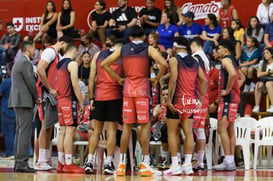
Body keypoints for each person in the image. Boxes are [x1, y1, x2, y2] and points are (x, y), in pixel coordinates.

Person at [101, 26, 167, 176]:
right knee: (144, 127)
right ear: (143, 37)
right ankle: (145, 164)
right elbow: (164, 63)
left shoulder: (123, 49)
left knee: (126, 128)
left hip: (128, 89)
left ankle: (121, 165)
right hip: (143, 89)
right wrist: (156, 79)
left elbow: (104, 63)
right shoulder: (148, 49)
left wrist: (118, 78)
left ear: (130, 38)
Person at [163, 36, 207, 176]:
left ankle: (175, 164)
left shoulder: (175, 59)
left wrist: (168, 100)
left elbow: (173, 80)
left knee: (172, 132)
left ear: (175, 47)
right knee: (188, 133)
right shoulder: (194, 60)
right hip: (189, 101)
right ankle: (187, 165)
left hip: (177, 101)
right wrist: (200, 98)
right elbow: (204, 81)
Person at [84, 39, 123, 175]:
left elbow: (91, 78)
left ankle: (89, 162)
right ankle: (108, 163)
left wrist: (91, 98)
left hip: (99, 96)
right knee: (112, 131)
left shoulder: (98, 55)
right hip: (115, 96)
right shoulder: (122, 56)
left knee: (96, 130)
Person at [35, 36, 72, 171]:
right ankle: (41, 160)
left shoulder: (55, 55)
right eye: (65, 47)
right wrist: (50, 88)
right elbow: (40, 69)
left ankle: (46, 158)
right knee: (44, 126)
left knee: (48, 126)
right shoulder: (50, 52)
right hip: (45, 93)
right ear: (62, 43)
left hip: (50, 94)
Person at [9, 41, 42, 173]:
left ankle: (19, 162)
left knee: (20, 132)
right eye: (34, 49)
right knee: (24, 132)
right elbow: (31, 82)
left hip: (19, 101)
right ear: (28, 49)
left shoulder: (19, 62)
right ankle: (22, 162)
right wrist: (37, 97)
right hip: (24, 101)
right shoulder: (25, 62)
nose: (35, 51)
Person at [55, 43, 84, 173]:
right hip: (69, 100)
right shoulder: (72, 64)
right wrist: (81, 102)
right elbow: (75, 84)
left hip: (60, 100)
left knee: (62, 132)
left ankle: (61, 163)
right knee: (70, 131)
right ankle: (68, 163)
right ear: (75, 51)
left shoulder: (58, 64)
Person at [213, 40, 240, 171]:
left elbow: (233, 74)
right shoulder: (234, 60)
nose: (217, 51)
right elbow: (240, 77)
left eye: (219, 49)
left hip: (228, 99)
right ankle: (231, 160)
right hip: (234, 99)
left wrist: (228, 89)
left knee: (221, 128)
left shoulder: (226, 60)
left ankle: (228, 160)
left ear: (225, 50)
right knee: (230, 130)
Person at [190, 37, 210, 172]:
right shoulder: (206, 58)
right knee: (199, 130)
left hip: (197, 97)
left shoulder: (195, 57)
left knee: (191, 129)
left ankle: (190, 160)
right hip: (204, 97)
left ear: (193, 45)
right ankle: (199, 161)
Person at [0, 63, 16, 159]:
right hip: (16, 110)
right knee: (15, 133)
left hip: (7, 110)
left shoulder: (6, 82)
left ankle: (10, 152)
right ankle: (16, 152)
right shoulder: (19, 81)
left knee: (8, 132)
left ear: (10, 71)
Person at [252, 47, 273, 113]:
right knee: (258, 84)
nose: (265, 55)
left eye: (267, 53)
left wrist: (264, 73)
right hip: (264, 83)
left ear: (272, 54)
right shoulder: (262, 63)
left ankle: (272, 105)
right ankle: (257, 106)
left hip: (270, 83)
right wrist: (269, 72)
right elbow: (258, 75)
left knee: (268, 83)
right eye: (264, 53)